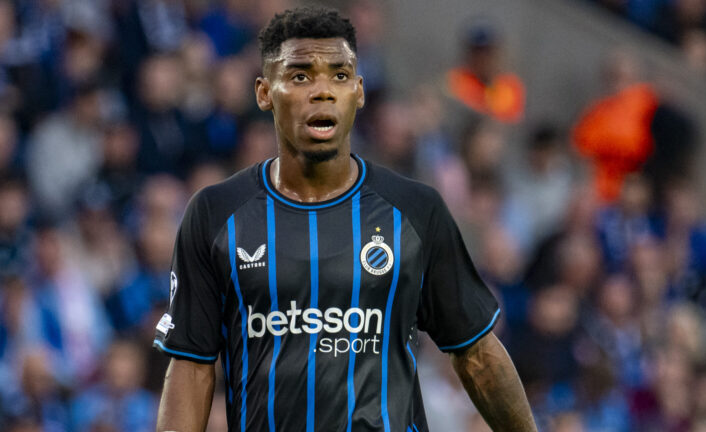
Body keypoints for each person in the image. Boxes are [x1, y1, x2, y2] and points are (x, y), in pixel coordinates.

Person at [153, 7, 537, 432]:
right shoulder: (215, 214)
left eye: (339, 76)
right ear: (264, 93)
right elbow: (191, 367)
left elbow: (475, 353)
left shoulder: (415, 210)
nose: (323, 91)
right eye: (300, 76)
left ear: (359, 91)